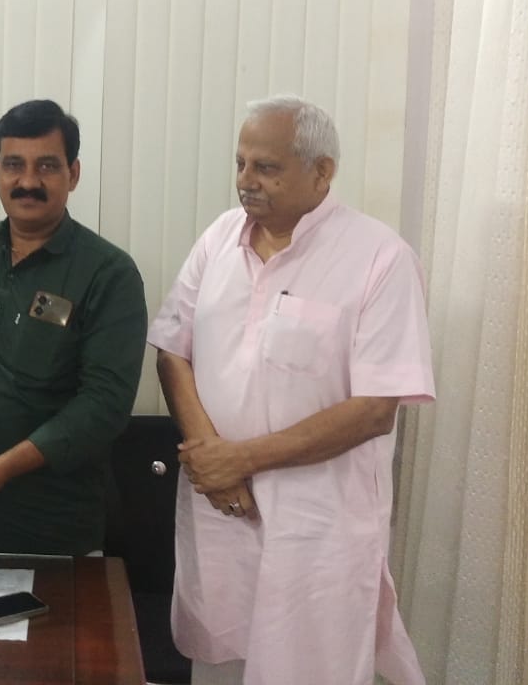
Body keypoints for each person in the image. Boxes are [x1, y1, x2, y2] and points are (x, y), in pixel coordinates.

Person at [149, 95, 435, 685]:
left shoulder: (380, 258)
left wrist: (239, 460)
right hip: (222, 513)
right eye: (240, 163)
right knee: (219, 665)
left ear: (322, 171)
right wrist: (213, 461)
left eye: (266, 167)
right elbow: (173, 349)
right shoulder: (219, 239)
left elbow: (374, 410)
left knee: (308, 669)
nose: (245, 181)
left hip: (317, 531)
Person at [0, 99, 147, 555]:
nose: (28, 182)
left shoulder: (109, 274)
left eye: (47, 166)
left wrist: (3, 468)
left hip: (51, 529)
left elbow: (105, 405)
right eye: (14, 165)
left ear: (73, 174)